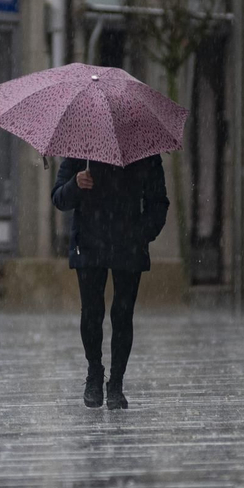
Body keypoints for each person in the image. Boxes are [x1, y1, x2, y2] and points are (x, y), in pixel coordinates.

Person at [51, 155, 169, 410]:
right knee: (91, 313)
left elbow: (158, 203)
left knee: (123, 314)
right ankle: (95, 373)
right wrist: (75, 184)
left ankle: (116, 382)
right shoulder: (81, 148)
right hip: (90, 242)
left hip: (128, 244)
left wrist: (140, 234)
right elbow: (59, 198)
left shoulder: (143, 151)